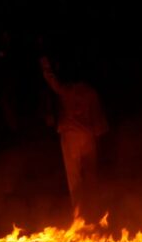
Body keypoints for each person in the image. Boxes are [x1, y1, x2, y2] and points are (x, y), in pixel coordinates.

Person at [40, 55, 108, 216]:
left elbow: (52, 83)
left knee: (74, 176)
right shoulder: (91, 92)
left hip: (70, 136)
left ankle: (80, 213)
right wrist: (98, 140)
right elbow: (98, 120)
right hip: (87, 136)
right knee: (90, 174)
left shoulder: (66, 89)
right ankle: (93, 210)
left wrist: (45, 68)